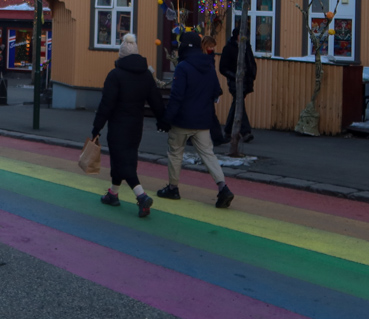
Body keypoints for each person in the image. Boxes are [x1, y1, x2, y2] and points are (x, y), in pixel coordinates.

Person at [157, 32, 235, 208]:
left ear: (185, 47)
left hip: (182, 120)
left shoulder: (183, 67)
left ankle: (173, 188)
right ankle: (223, 187)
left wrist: (166, 119)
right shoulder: (208, 65)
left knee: (176, 152)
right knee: (208, 154)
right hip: (203, 120)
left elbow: (177, 97)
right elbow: (216, 90)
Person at [91, 34, 165, 218]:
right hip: (136, 126)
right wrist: (163, 121)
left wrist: (97, 127)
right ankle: (113, 194)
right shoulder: (146, 75)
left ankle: (141, 196)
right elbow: (156, 101)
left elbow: (106, 104)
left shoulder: (115, 75)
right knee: (126, 159)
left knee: (122, 161)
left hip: (118, 126)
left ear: (121, 56)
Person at [218, 24, 257, 145]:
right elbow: (223, 68)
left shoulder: (246, 47)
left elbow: (251, 62)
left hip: (246, 81)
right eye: (242, 34)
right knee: (239, 103)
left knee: (237, 104)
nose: (244, 37)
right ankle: (245, 132)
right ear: (237, 35)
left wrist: (252, 74)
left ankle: (228, 131)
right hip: (235, 81)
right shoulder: (229, 48)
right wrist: (235, 76)